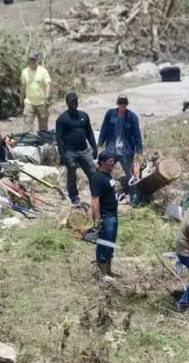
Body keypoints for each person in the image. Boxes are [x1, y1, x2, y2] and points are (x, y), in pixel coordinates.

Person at [56, 91, 98, 209]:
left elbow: (89, 133)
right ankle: (74, 198)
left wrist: (94, 147)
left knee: (93, 173)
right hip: (70, 152)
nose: (74, 103)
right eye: (72, 101)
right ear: (67, 103)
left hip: (84, 150)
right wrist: (62, 154)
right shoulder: (62, 119)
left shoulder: (84, 116)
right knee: (71, 174)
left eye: (76, 100)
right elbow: (59, 138)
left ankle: (97, 195)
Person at [98, 95, 143, 195]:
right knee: (105, 172)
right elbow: (104, 129)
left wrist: (139, 153)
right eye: (120, 102)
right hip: (111, 150)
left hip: (126, 152)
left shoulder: (132, 117)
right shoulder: (110, 114)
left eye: (124, 103)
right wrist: (99, 145)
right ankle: (104, 193)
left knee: (130, 175)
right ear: (117, 103)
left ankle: (133, 195)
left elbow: (137, 136)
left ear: (127, 104)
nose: (122, 105)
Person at [89, 150, 120, 279]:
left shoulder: (108, 175)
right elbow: (95, 201)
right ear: (102, 162)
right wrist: (98, 220)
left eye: (113, 160)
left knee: (111, 242)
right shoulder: (97, 178)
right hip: (105, 216)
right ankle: (101, 274)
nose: (113, 163)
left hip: (113, 214)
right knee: (104, 242)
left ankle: (108, 270)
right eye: (110, 161)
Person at [20, 51, 52, 133]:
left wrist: (47, 98)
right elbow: (23, 87)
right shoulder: (24, 72)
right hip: (29, 102)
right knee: (27, 125)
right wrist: (21, 100)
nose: (32, 62)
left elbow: (48, 84)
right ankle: (29, 142)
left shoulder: (43, 71)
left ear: (36, 60)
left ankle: (43, 142)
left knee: (43, 127)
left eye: (33, 60)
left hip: (42, 103)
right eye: (30, 60)